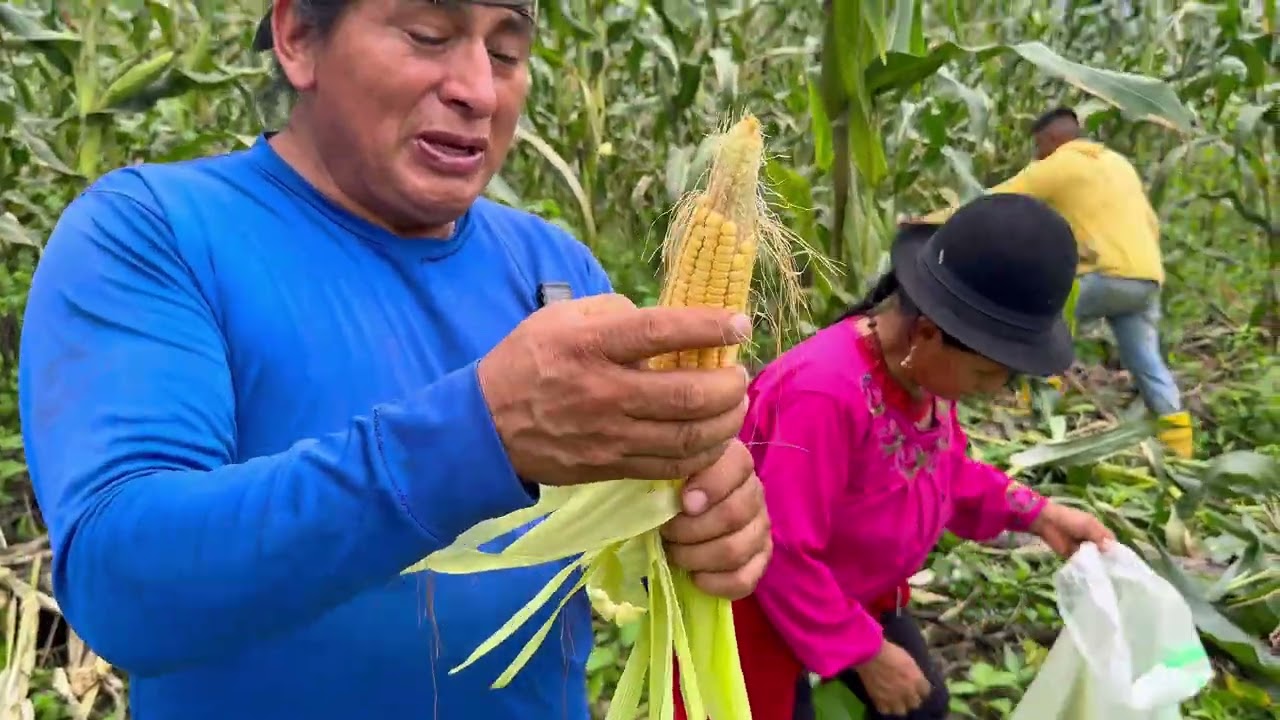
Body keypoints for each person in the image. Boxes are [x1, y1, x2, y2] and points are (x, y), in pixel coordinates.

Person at [17, 2, 773, 719]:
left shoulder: (554, 267)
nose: (479, 90)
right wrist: (479, 435)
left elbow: (614, 548)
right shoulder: (155, 233)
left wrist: (700, 524)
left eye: (506, 51)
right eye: (426, 35)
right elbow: (124, 586)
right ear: (298, 38)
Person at [673, 194, 1117, 720]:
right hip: (760, 601)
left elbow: (943, 472)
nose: (988, 393)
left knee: (921, 705)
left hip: (853, 590)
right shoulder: (823, 394)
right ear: (927, 334)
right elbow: (781, 548)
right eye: (983, 376)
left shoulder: (921, 379)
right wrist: (866, 653)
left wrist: (1039, 514)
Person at [916, 106, 1193, 459]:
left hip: (1104, 275)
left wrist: (929, 222)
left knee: (1039, 325)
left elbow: (995, 202)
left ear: (1051, 139)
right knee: (1147, 361)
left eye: (1038, 146)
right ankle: (1180, 447)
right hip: (1146, 278)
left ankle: (1036, 408)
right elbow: (1149, 221)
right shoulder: (1119, 165)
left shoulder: (1059, 164)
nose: (1036, 154)